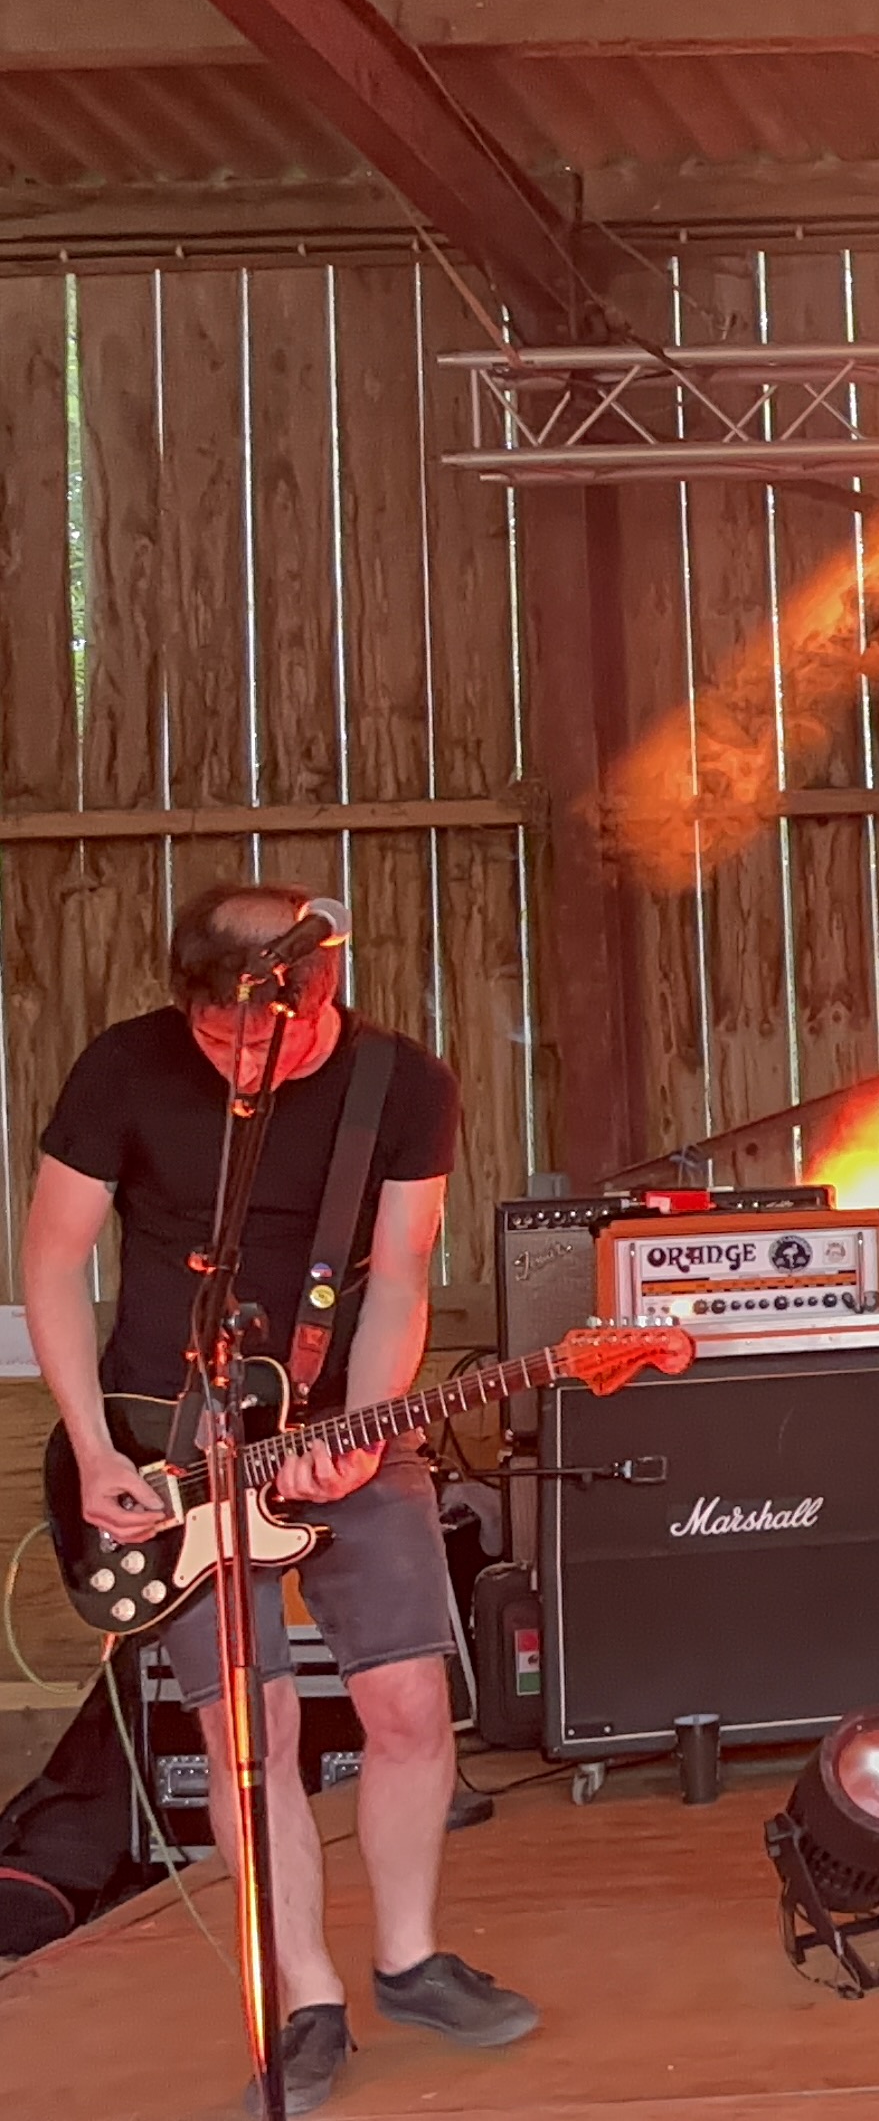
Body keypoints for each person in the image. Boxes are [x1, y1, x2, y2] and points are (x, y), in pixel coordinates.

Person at [26, 884, 535, 2113]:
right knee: (250, 1734)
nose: (242, 1066)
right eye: (217, 1040)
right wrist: (93, 1451)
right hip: (165, 1446)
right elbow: (52, 1260)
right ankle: (306, 1996)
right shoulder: (123, 1069)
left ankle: (411, 1960)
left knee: (408, 1702)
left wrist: (364, 1432)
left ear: (324, 989)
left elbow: (401, 1275)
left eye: (267, 1041)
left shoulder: (400, 1085)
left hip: (341, 1420)